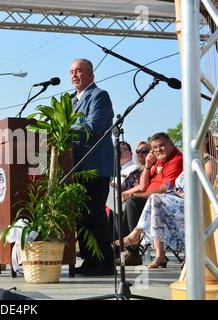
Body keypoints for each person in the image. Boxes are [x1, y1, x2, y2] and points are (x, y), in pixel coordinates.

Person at [120, 131, 217, 268]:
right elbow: (147, 186)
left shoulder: (209, 162)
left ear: (205, 141)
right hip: (177, 201)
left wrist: (180, 193)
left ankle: (136, 235)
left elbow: (203, 190)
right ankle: (158, 254)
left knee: (155, 199)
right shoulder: (189, 163)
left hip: (195, 204)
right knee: (155, 202)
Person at [70, 58, 115, 276]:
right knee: (82, 216)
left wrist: (65, 131)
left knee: (94, 214)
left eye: (79, 70)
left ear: (91, 75)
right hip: (76, 166)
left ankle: (104, 263)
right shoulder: (70, 101)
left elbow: (94, 126)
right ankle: (89, 260)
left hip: (95, 166)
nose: (74, 75)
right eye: (72, 71)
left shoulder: (99, 96)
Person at [119, 132, 183, 266]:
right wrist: (148, 166)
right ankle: (112, 250)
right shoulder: (159, 160)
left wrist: (134, 195)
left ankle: (133, 253)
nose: (158, 150)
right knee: (115, 210)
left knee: (132, 202)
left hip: (164, 202)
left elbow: (164, 189)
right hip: (151, 199)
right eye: (154, 148)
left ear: (171, 144)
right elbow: (144, 185)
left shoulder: (176, 160)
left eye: (161, 146)